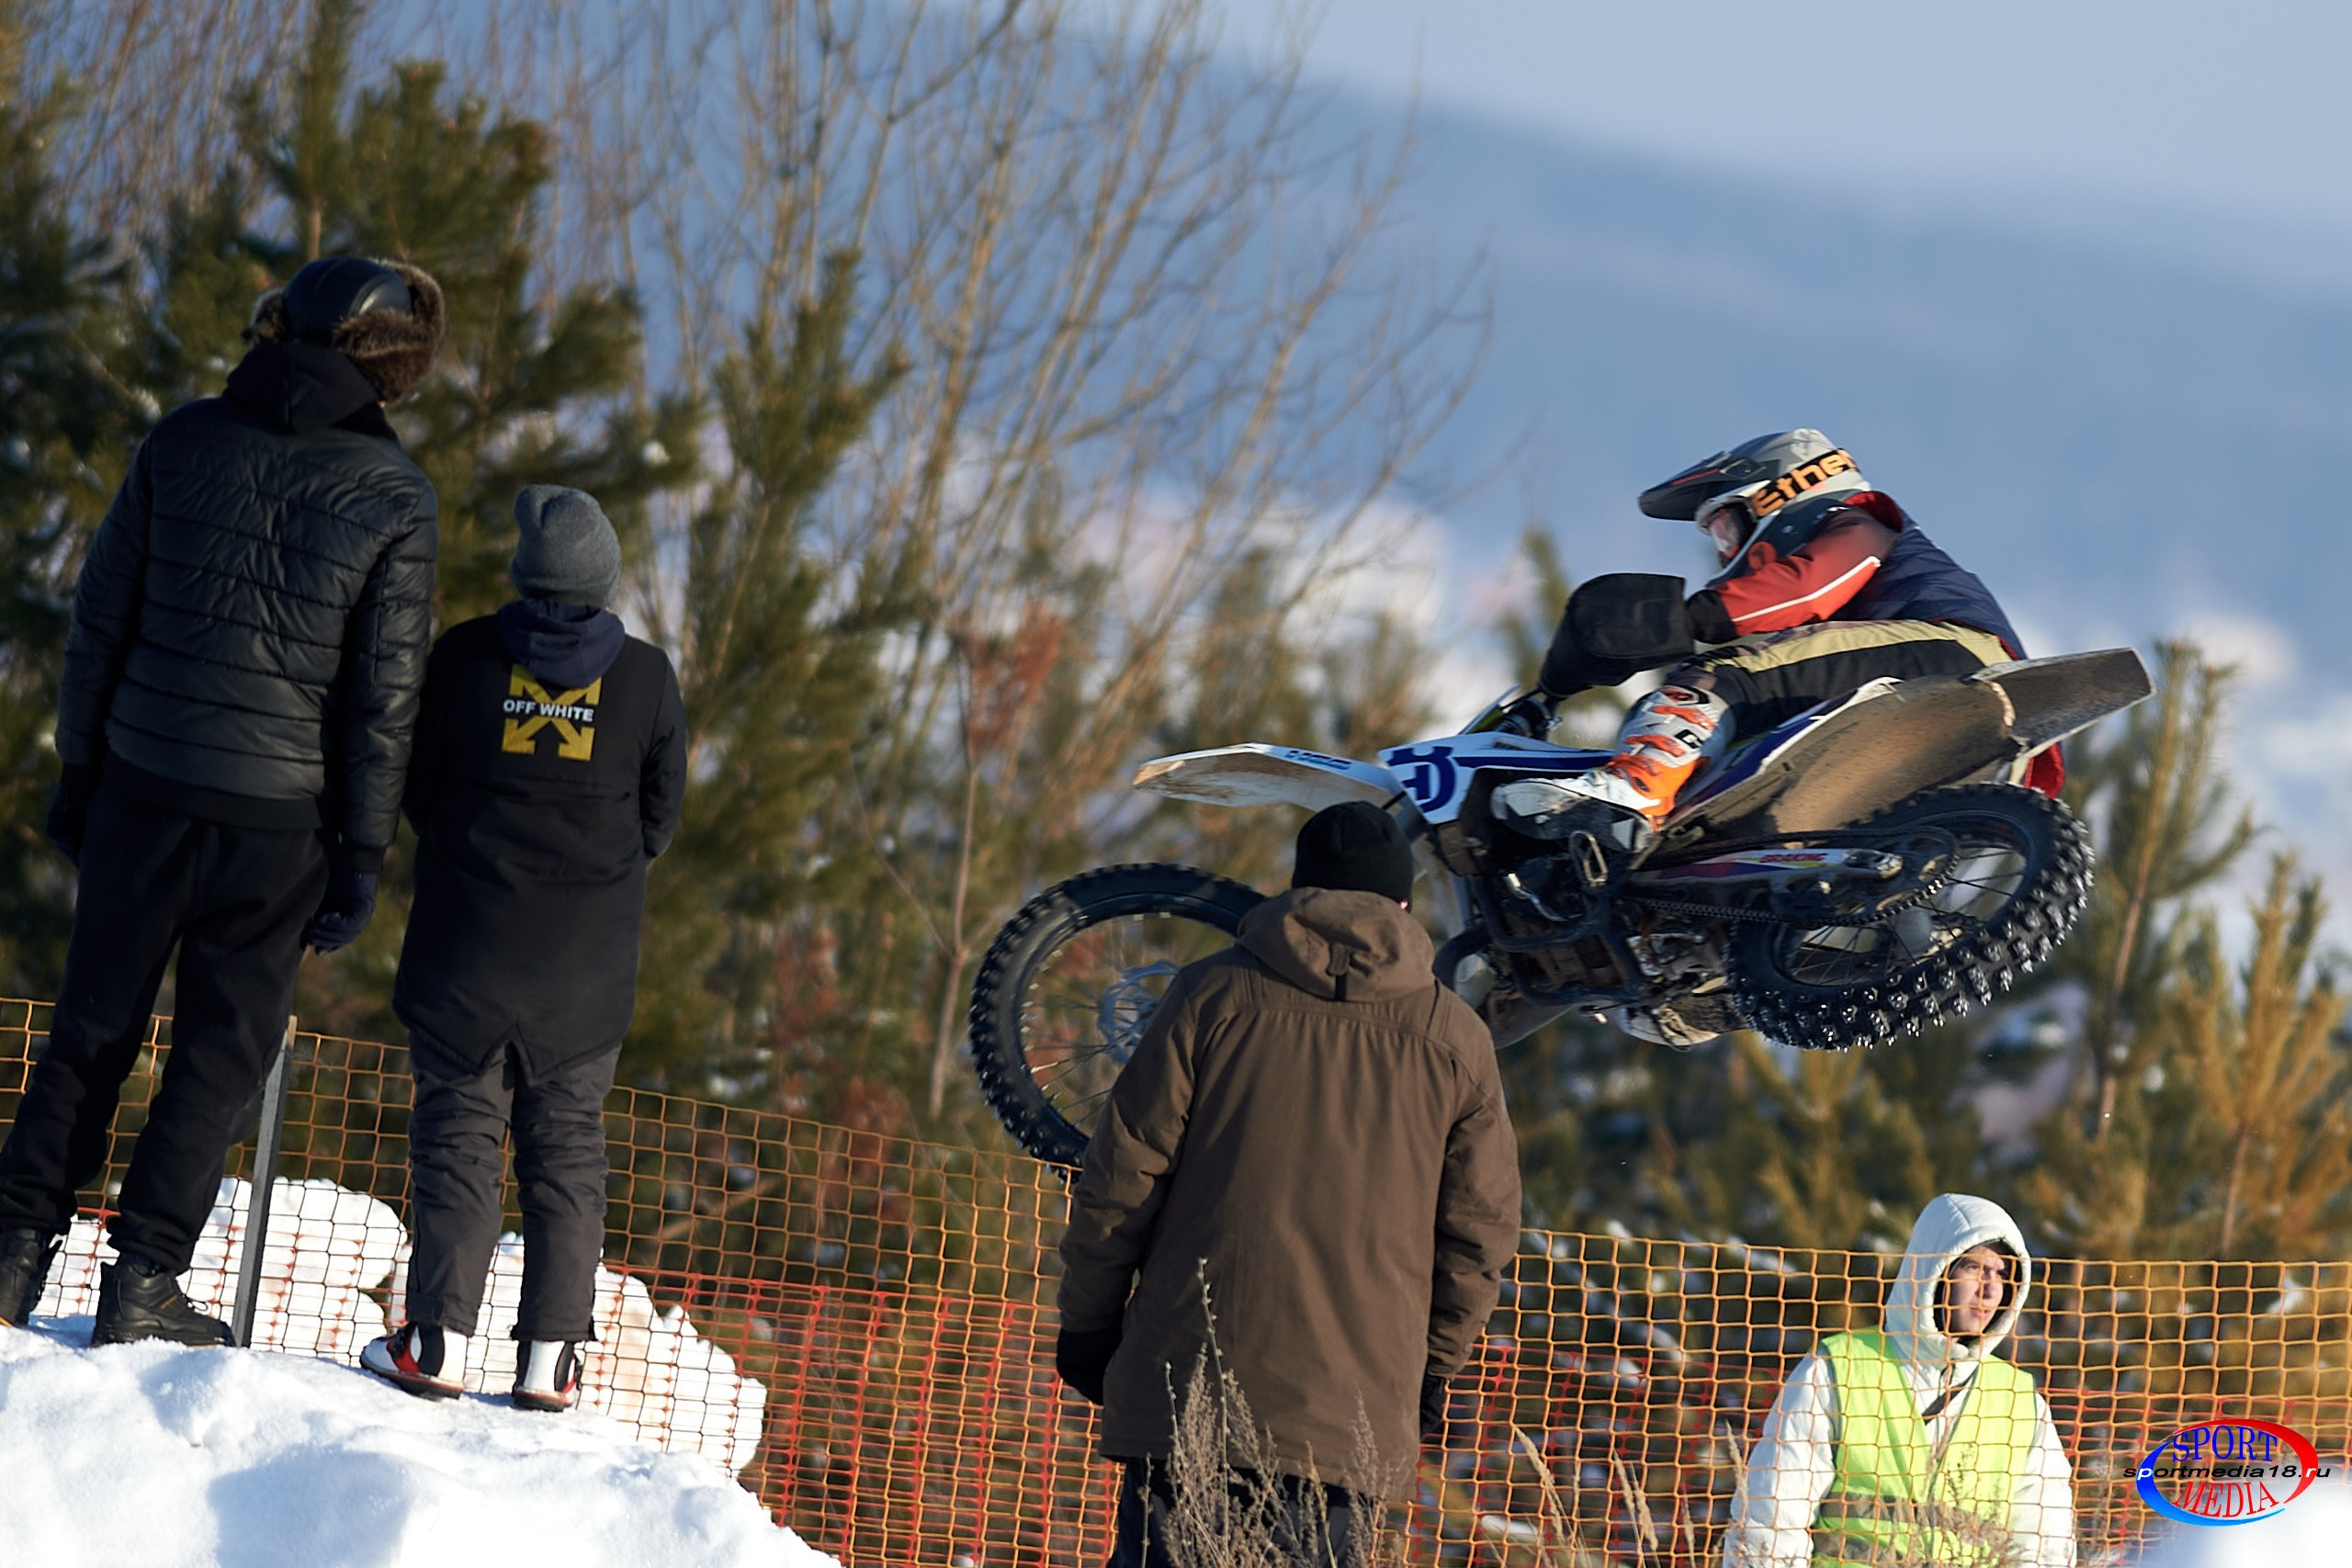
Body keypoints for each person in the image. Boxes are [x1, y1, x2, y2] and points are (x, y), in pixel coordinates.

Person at [0, 256, 443, 1345]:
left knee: (90, 1032)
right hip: (276, 824)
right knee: (217, 1055)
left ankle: (11, 1255)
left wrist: (82, 772)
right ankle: (143, 1281)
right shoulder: (394, 496)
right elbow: (383, 704)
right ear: (392, 366)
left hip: (143, 787)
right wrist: (362, 856)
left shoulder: (184, 439)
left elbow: (101, 618)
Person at [1057, 802, 1522, 1568]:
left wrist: (1089, 1325)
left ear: (1297, 891)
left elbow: (1122, 1177)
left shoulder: (1209, 997)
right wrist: (1429, 1371)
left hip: (1188, 1395)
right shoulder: (1456, 1040)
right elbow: (1479, 1235)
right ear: (1402, 905)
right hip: (1350, 1424)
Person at [360, 485, 684, 1412]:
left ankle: (435, 1345)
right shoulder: (646, 679)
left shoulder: (464, 657)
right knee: (567, 1154)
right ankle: (551, 1363)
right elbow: (658, 819)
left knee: (460, 1137)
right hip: (583, 976)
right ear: (604, 578)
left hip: (467, 949)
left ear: (522, 573)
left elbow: (414, 789)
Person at [1495, 429, 2059, 846]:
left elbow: (1804, 589)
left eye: (1725, 527)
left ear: (1784, 493)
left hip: (1947, 652)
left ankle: (1635, 790)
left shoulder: (1859, 521)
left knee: (1723, 676)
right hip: (1980, 753)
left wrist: (1694, 621)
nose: (1723, 551)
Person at [1722, 1193, 2076, 1568]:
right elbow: (1769, 1523)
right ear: (1934, 1272)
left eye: (2003, 1274)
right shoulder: (1837, 1371)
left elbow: (2045, 1545)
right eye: (1973, 1268)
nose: (1989, 1289)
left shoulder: (2020, 1404)